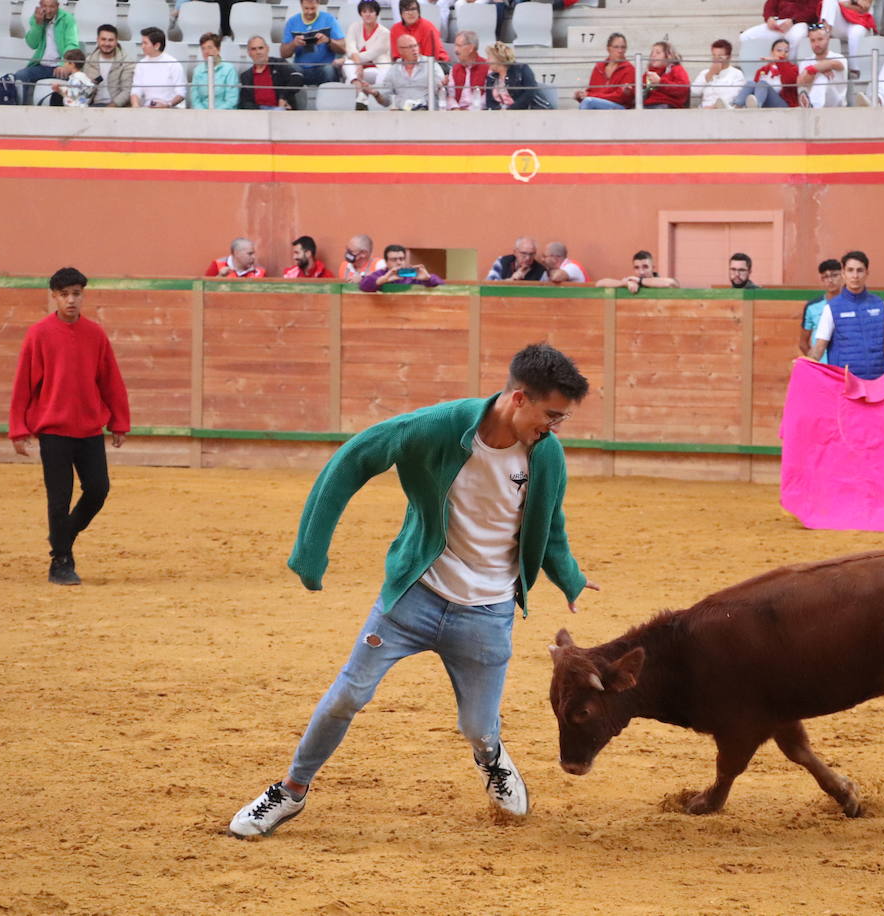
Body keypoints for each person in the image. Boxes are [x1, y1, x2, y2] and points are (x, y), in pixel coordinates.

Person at [227, 343, 598, 836]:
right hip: (414, 597)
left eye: (562, 419)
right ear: (517, 398)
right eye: (551, 415)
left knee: (477, 727)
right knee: (345, 696)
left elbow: (549, 525)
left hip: (486, 613)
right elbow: (354, 458)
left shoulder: (547, 455)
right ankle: (290, 791)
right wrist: (310, 550)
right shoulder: (438, 427)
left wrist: (567, 574)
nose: (553, 428)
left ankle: (490, 757)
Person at [9, 267, 130, 587]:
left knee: (98, 489)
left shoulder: (95, 334)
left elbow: (110, 381)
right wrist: (18, 428)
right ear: (54, 297)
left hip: (89, 429)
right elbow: (23, 384)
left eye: (76, 293)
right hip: (54, 430)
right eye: (64, 295)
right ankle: (61, 561)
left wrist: (119, 420)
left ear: (83, 295)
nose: (71, 300)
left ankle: (63, 534)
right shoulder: (38, 334)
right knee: (59, 497)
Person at [807, 251, 884, 379]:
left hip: (878, 382)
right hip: (845, 383)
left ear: (867, 273)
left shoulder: (880, 305)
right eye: (850, 270)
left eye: (860, 270)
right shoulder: (831, 309)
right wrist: (806, 362)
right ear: (843, 274)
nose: (855, 276)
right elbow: (819, 348)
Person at [13, 0, 78, 104]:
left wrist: (64, 64)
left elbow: (72, 44)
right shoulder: (36, 18)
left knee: (75, 81)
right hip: (42, 66)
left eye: (51, 7)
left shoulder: (67, 19)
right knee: (20, 75)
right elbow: (32, 44)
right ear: (40, 6)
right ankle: (20, 108)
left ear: (57, 6)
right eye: (45, 6)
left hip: (61, 66)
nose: (48, 10)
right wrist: (38, 25)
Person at [360, 34, 433, 110]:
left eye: (415, 46)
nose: (414, 49)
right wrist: (376, 94)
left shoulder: (430, 65)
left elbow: (440, 89)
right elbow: (386, 101)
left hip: (426, 112)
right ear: (400, 50)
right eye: (410, 47)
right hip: (403, 114)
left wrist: (442, 84)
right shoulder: (394, 70)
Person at [282, 0, 346, 85]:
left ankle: (330, 97)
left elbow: (343, 49)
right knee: (288, 70)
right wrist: (293, 44)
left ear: (318, 4)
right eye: (306, 8)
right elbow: (283, 53)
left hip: (324, 66)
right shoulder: (292, 22)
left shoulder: (329, 19)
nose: (309, 12)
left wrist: (328, 41)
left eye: (313, 8)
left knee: (329, 70)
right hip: (300, 67)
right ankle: (287, 98)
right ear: (301, 5)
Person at [343, 0, 390, 110]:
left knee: (348, 65)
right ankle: (360, 93)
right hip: (358, 70)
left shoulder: (385, 33)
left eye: (371, 11)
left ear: (377, 13)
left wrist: (355, 60)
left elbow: (371, 54)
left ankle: (366, 100)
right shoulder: (354, 27)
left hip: (376, 69)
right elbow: (350, 47)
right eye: (364, 11)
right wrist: (358, 64)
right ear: (361, 14)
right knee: (348, 63)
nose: (368, 14)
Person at [240, 36, 306, 110]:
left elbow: (298, 77)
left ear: (267, 49)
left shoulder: (279, 64)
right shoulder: (246, 76)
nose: (258, 52)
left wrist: (283, 98)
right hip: (258, 114)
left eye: (261, 48)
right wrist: (261, 109)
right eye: (253, 49)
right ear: (249, 53)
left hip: (282, 111)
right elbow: (245, 103)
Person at [741, 1, 820, 61]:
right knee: (746, 36)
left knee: (795, 37)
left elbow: (812, 10)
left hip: (800, 23)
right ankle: (756, 70)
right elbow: (770, 5)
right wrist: (770, 18)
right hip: (780, 22)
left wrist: (793, 20)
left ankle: (790, 68)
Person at [484, 42, 552, 110]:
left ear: (498, 58)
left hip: (534, 111)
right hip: (505, 116)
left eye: (489, 58)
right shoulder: (491, 78)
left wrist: (510, 110)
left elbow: (529, 93)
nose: (487, 61)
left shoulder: (521, 69)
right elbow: (490, 103)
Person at [735, 38, 799, 109]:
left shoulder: (793, 68)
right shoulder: (763, 70)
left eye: (786, 51)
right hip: (765, 102)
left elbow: (789, 81)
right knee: (750, 83)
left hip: (783, 104)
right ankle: (736, 106)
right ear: (772, 52)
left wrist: (779, 62)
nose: (783, 53)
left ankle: (757, 106)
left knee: (763, 84)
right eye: (779, 50)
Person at [576, 33, 635, 109]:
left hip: (620, 107)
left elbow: (620, 97)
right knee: (587, 101)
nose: (620, 51)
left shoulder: (630, 69)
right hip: (598, 103)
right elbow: (591, 92)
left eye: (623, 47)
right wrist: (580, 96)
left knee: (588, 102)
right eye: (616, 47)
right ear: (608, 49)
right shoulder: (598, 67)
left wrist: (590, 96)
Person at [130, 27, 185, 109]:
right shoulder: (141, 65)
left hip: (170, 110)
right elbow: (136, 91)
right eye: (142, 43)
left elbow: (181, 93)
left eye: (145, 43)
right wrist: (135, 106)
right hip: (147, 109)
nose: (142, 46)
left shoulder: (173, 64)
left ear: (157, 45)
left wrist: (167, 105)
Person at [796, 23, 849, 108]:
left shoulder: (839, 57)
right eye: (812, 40)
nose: (816, 44)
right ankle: (814, 105)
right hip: (814, 100)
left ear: (828, 39)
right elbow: (801, 82)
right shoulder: (805, 62)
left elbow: (834, 64)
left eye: (820, 39)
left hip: (837, 104)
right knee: (819, 78)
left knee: (822, 78)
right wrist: (820, 69)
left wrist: (812, 70)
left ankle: (814, 106)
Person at [799, 259, 842, 361]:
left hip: (845, 366)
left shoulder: (852, 304)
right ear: (822, 280)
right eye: (825, 277)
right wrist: (815, 362)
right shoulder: (812, 306)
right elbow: (803, 343)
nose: (830, 280)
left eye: (834, 275)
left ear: (843, 276)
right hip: (822, 367)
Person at [83, 24, 135, 108]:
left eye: (111, 40)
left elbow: (127, 91)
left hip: (118, 107)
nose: (107, 43)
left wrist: (110, 108)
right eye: (103, 39)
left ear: (116, 41)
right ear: (97, 40)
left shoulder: (127, 61)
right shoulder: (89, 60)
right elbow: (85, 89)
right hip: (94, 106)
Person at [358, 245, 445, 290]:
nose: (399, 262)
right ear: (386, 262)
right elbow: (363, 285)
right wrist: (382, 280)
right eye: (394, 259)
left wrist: (428, 279)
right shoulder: (382, 274)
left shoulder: (412, 274)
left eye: (401, 259)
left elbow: (441, 283)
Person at [189, 33, 240, 109]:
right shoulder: (197, 70)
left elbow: (231, 100)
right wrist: (205, 114)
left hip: (225, 114)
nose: (206, 51)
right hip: (202, 114)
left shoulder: (229, 69)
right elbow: (195, 100)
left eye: (210, 47)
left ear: (218, 49)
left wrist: (214, 114)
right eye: (203, 48)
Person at [691, 39, 746, 109]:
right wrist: (709, 75)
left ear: (729, 57)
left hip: (726, 109)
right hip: (705, 109)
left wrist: (714, 106)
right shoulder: (705, 73)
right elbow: (694, 92)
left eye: (720, 57)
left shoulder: (737, 74)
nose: (716, 59)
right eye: (714, 56)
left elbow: (733, 97)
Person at [822, 0, 877, 67]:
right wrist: (853, 3)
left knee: (855, 33)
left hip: (860, 21)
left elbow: (864, 7)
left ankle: (854, 70)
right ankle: (822, 44)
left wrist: (843, 3)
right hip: (840, 23)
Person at [593, 250, 680, 292]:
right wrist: (624, 283)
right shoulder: (631, 282)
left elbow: (672, 283)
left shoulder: (659, 281)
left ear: (652, 268)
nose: (641, 272)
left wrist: (640, 281)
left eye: (645, 267)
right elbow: (599, 283)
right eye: (637, 268)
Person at [445, 30, 490, 111]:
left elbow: (488, 96)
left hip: (479, 114)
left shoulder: (487, 67)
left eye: (459, 46)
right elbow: (451, 95)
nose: (455, 50)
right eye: (455, 45)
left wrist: (470, 110)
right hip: (457, 114)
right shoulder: (455, 69)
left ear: (470, 48)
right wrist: (455, 108)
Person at [642, 41, 689, 109]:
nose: (653, 55)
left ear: (669, 56)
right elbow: (644, 88)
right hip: (650, 104)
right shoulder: (651, 72)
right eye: (652, 53)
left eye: (658, 53)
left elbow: (683, 89)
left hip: (668, 105)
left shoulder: (676, 69)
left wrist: (660, 82)